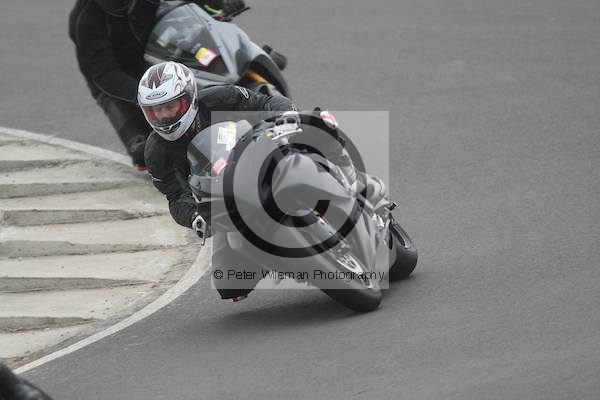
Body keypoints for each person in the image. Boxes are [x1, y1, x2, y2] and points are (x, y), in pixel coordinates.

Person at [138, 61, 387, 301]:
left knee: (317, 121)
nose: (164, 116)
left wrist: (285, 115)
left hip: (264, 154)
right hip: (227, 197)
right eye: (155, 111)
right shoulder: (156, 151)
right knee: (229, 282)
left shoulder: (218, 98)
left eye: (170, 107)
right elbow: (175, 196)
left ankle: (353, 177)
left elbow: (263, 102)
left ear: (189, 98)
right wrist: (194, 217)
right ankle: (285, 261)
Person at [68, 0, 247, 170]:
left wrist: (219, 4)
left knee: (211, 51)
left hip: (159, 53)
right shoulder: (84, 22)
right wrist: (149, 97)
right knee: (144, 152)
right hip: (119, 86)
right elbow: (106, 75)